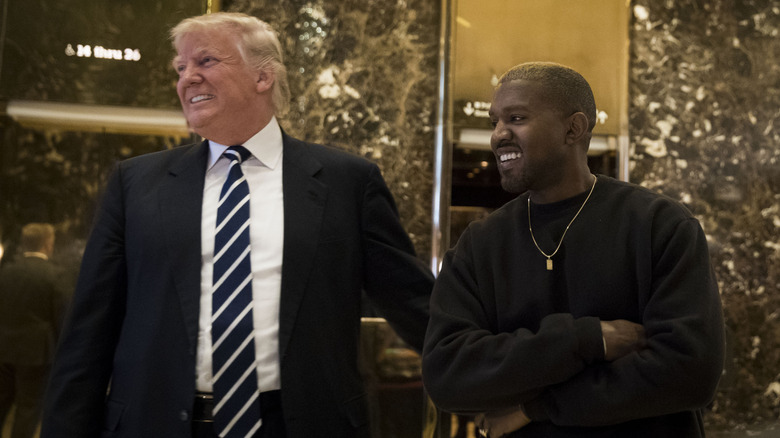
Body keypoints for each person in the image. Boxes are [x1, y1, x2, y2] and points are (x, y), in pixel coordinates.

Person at [41, 12, 433, 438]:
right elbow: (87, 333)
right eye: (180, 67)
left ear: (262, 77)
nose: (187, 78)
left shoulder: (348, 183)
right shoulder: (135, 184)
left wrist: (499, 391)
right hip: (156, 424)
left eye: (205, 61)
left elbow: (417, 306)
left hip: (300, 424)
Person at [421, 62, 725, 437]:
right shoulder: (480, 244)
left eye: (516, 118)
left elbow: (690, 372)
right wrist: (586, 340)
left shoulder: (659, 225)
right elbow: (447, 375)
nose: (499, 135)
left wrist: (534, 408)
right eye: (494, 122)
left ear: (573, 128)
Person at [0, 223, 70, 438]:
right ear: (48, 244)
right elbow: (62, 317)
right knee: (28, 410)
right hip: (37, 354)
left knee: (1, 403)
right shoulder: (54, 275)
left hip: (3, 348)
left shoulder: (6, 271)